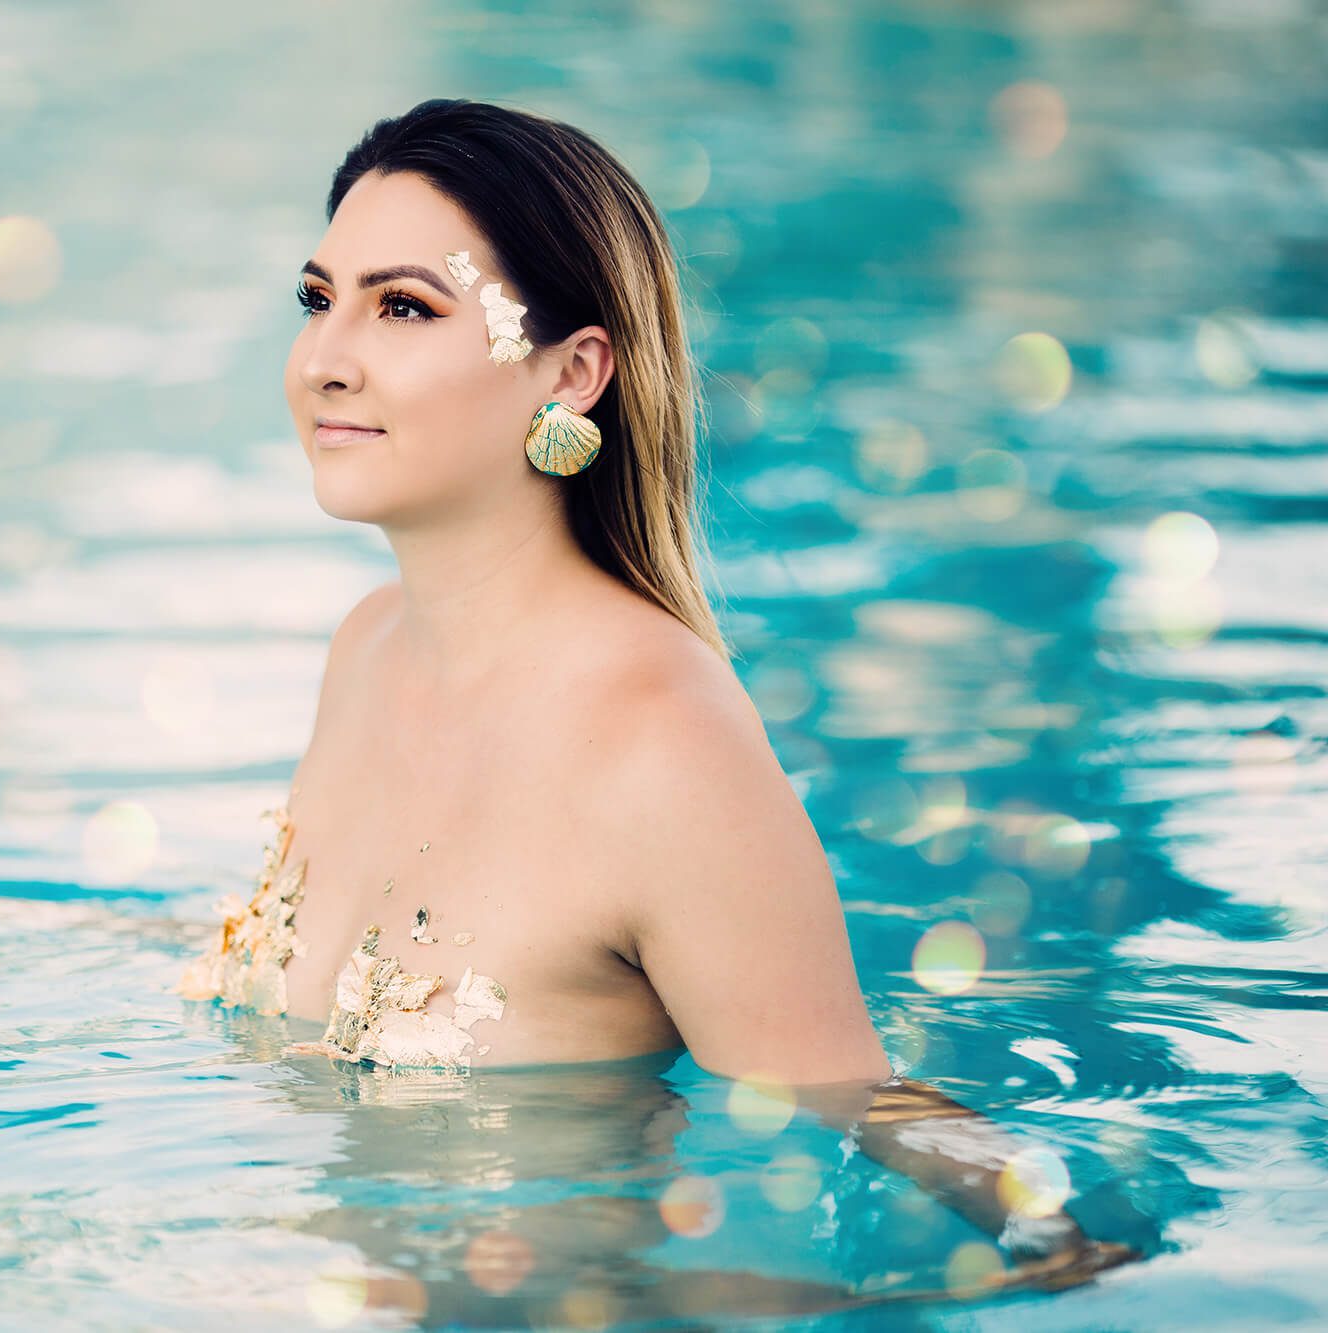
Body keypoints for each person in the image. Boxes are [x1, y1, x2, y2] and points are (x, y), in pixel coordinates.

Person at [177, 98, 1140, 1293]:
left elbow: (841, 1098)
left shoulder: (657, 738)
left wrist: (1056, 1246)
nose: (324, 359)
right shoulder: (369, 649)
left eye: (405, 307)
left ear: (573, 372)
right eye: (318, 299)